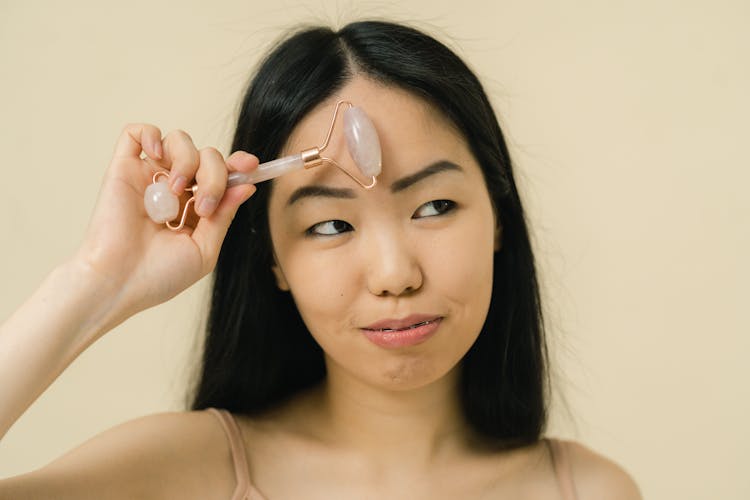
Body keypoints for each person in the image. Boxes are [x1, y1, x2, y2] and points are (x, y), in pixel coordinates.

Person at [0, 20, 641, 499]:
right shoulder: (187, 474)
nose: (395, 275)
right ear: (274, 260)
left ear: (498, 217)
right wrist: (94, 283)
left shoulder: (588, 491)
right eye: (331, 224)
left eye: (436, 207)